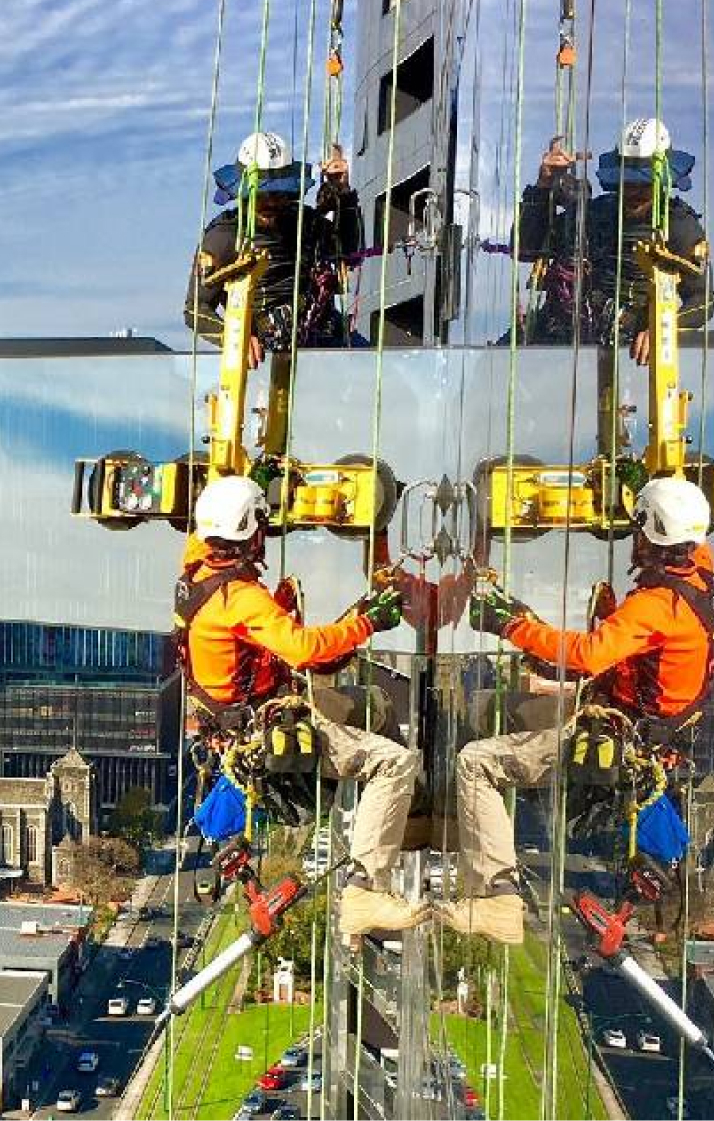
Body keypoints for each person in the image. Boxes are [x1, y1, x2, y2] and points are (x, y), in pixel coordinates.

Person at [442, 476, 713, 945]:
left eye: (636, 531)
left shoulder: (656, 607)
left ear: (648, 534)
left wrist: (512, 627)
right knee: (515, 712)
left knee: (474, 762)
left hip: (630, 741)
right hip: (670, 734)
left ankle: (495, 896)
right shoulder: (704, 575)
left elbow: (588, 654)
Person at [175, 474, 426, 935]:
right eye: (262, 528)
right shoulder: (240, 599)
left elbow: (212, 522)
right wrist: (366, 622)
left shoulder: (196, 570)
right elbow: (306, 649)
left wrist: (256, 476)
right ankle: (366, 893)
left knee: (374, 706)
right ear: (250, 533)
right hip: (260, 728)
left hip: (244, 715)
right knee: (393, 761)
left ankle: (405, 816)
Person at [514, 118, 707, 359]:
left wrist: (665, 330)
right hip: (554, 342)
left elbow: (704, 296)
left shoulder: (678, 226)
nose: (634, 191)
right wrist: (543, 186)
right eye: (628, 181)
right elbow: (525, 249)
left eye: (644, 183)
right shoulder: (594, 213)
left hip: (625, 354)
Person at [185, 131, 364, 361]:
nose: (271, 202)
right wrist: (233, 337)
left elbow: (351, 255)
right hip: (266, 353)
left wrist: (345, 197)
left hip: (328, 339)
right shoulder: (225, 235)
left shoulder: (305, 222)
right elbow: (194, 308)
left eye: (280, 193)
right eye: (262, 193)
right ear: (243, 192)